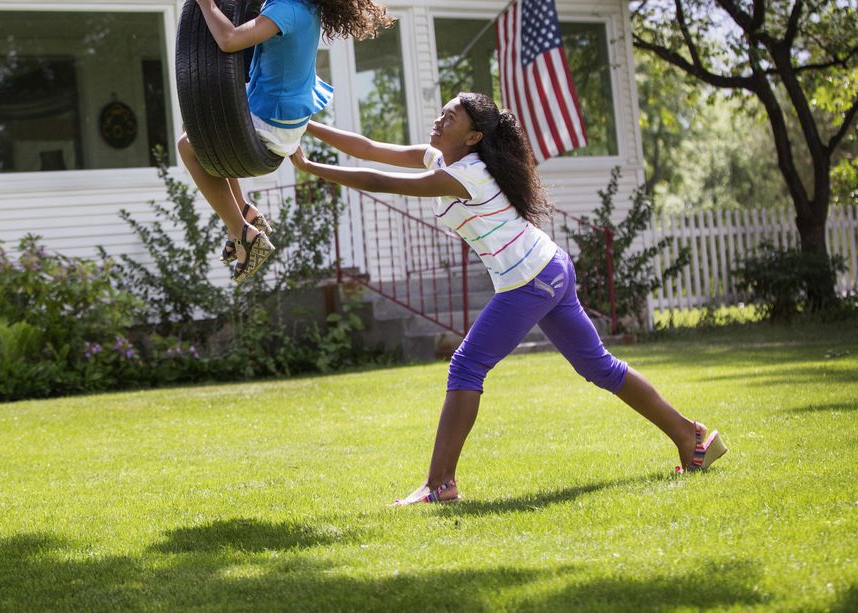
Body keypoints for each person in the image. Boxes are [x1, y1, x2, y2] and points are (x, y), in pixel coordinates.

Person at [290, 92, 728, 505]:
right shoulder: (443, 158)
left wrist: (314, 169)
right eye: (441, 113)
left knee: (467, 364)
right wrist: (304, 125)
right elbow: (368, 148)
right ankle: (692, 438)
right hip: (547, 267)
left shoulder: (468, 175)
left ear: (474, 137)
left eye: (450, 118)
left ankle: (438, 484)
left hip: (530, 278)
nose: (439, 121)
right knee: (598, 366)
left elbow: (381, 181)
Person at [179, 0, 390, 282]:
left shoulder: (288, 12)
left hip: (273, 125)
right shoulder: (302, 0)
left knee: (189, 146)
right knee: (208, 133)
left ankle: (242, 231)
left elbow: (229, 40)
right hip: (287, 120)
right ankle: (245, 210)